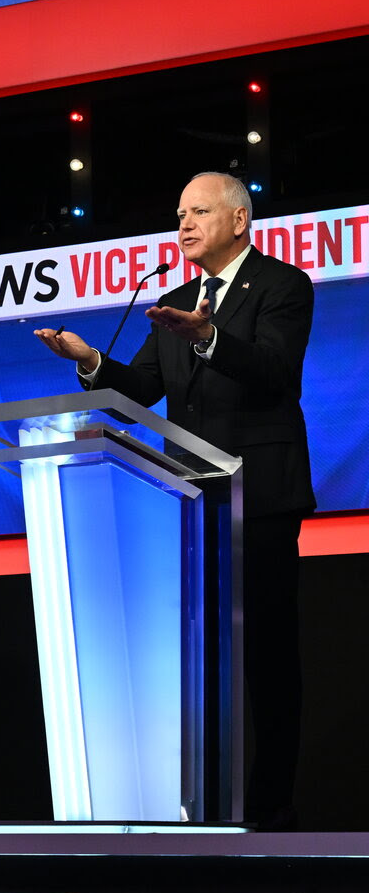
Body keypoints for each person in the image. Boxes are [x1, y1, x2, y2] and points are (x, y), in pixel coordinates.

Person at [35, 172, 314, 828]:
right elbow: (138, 397)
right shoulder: (172, 301)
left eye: (199, 211)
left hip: (261, 498)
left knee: (269, 657)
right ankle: (200, 807)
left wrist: (208, 339)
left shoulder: (281, 286)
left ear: (240, 219)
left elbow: (276, 372)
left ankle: (272, 809)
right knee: (195, 664)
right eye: (179, 212)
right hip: (190, 503)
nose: (184, 223)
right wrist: (92, 362)